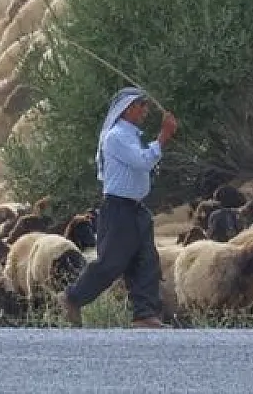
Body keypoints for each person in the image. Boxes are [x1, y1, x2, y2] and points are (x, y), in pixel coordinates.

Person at [59, 86, 178, 328]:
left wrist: (158, 141)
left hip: (135, 209)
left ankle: (144, 313)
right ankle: (73, 297)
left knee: (147, 261)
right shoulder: (116, 137)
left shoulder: (131, 136)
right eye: (140, 106)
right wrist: (163, 137)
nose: (145, 111)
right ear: (127, 109)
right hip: (118, 209)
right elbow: (142, 162)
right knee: (112, 262)